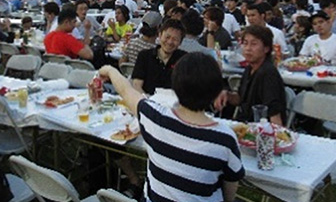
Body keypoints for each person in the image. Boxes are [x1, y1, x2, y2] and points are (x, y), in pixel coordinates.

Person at [99, 53, 244, 202]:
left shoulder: (154, 118)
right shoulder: (225, 138)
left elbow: (126, 90)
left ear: (174, 85)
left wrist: (110, 70)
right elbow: (230, 191)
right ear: (216, 92)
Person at [214, 25, 287, 126]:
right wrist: (227, 95)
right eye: (245, 43)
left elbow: (274, 115)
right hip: (244, 124)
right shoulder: (250, 68)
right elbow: (240, 98)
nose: (248, 48)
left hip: (260, 128)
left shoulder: (268, 73)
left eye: (254, 44)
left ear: (266, 48)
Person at [131, 19, 187, 95]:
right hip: (147, 101)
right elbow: (136, 85)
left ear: (180, 42)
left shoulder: (185, 60)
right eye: (167, 37)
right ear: (160, 35)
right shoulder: (144, 56)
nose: (170, 42)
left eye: (175, 39)